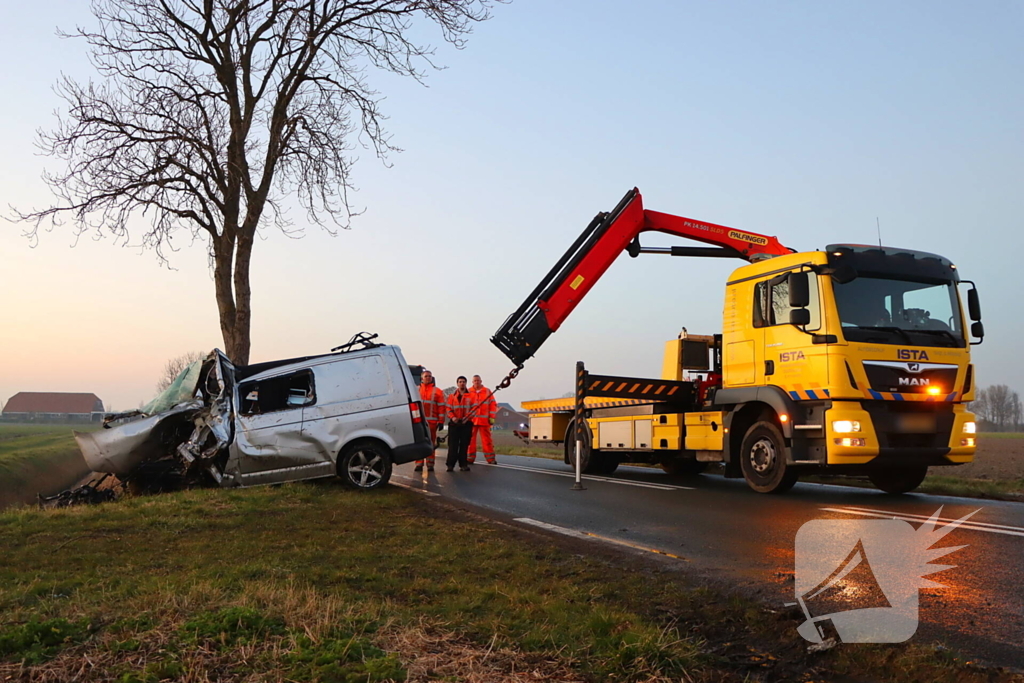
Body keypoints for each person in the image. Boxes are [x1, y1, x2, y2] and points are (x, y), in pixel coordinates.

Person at [415, 369, 445, 472]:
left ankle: (430, 464)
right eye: (426, 376)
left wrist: (441, 421)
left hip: (432, 423)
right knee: (419, 442)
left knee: (431, 443)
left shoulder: (438, 391)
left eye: (430, 376)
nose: (428, 378)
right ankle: (419, 463)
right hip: (419, 422)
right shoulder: (416, 390)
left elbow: (441, 407)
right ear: (422, 378)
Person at [445, 376, 474, 472]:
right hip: (454, 423)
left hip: (466, 423)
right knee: (453, 445)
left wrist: (467, 418)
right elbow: (448, 408)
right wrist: (453, 417)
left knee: (464, 445)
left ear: (466, 383)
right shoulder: (451, 396)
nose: (462, 383)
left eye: (463, 382)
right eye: (460, 382)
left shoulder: (471, 396)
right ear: (457, 383)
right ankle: (450, 465)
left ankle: (463, 465)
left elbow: (474, 409)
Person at [467, 374, 498, 465]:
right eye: (475, 380)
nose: (476, 382)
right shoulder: (468, 392)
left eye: (478, 380)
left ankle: (490, 459)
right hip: (472, 421)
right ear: (472, 382)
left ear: (481, 381)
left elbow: (493, 405)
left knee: (487, 440)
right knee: (470, 440)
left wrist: (492, 416)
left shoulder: (487, 391)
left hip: (484, 421)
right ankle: (469, 458)